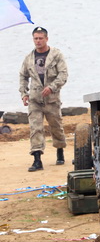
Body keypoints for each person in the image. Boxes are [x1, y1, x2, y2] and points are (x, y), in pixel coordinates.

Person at [19, 27, 68, 171]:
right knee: (35, 128)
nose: (38, 41)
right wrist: (24, 93)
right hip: (35, 99)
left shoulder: (56, 55)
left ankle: (60, 150)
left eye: (41, 38)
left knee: (56, 126)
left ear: (46, 38)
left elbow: (63, 75)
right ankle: (37, 159)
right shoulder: (29, 58)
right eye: (35, 38)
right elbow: (23, 76)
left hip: (52, 99)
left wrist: (52, 87)